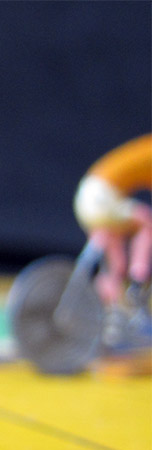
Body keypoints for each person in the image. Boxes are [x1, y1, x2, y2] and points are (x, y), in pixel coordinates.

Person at [73, 133, 152, 346]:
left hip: (88, 195)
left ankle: (110, 314)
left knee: (115, 265)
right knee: (147, 221)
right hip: (101, 196)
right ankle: (138, 280)